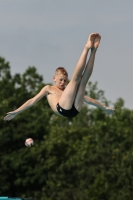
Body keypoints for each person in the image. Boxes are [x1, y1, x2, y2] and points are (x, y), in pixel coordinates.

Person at [4, 33, 114, 121]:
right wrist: (16, 112)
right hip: (63, 109)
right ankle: (86, 48)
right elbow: (32, 101)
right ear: (54, 78)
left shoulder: (67, 91)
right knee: (76, 80)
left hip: (75, 111)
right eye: (61, 80)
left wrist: (104, 108)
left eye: (65, 80)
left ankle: (94, 51)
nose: (63, 82)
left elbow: (87, 99)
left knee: (83, 81)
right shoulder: (48, 89)